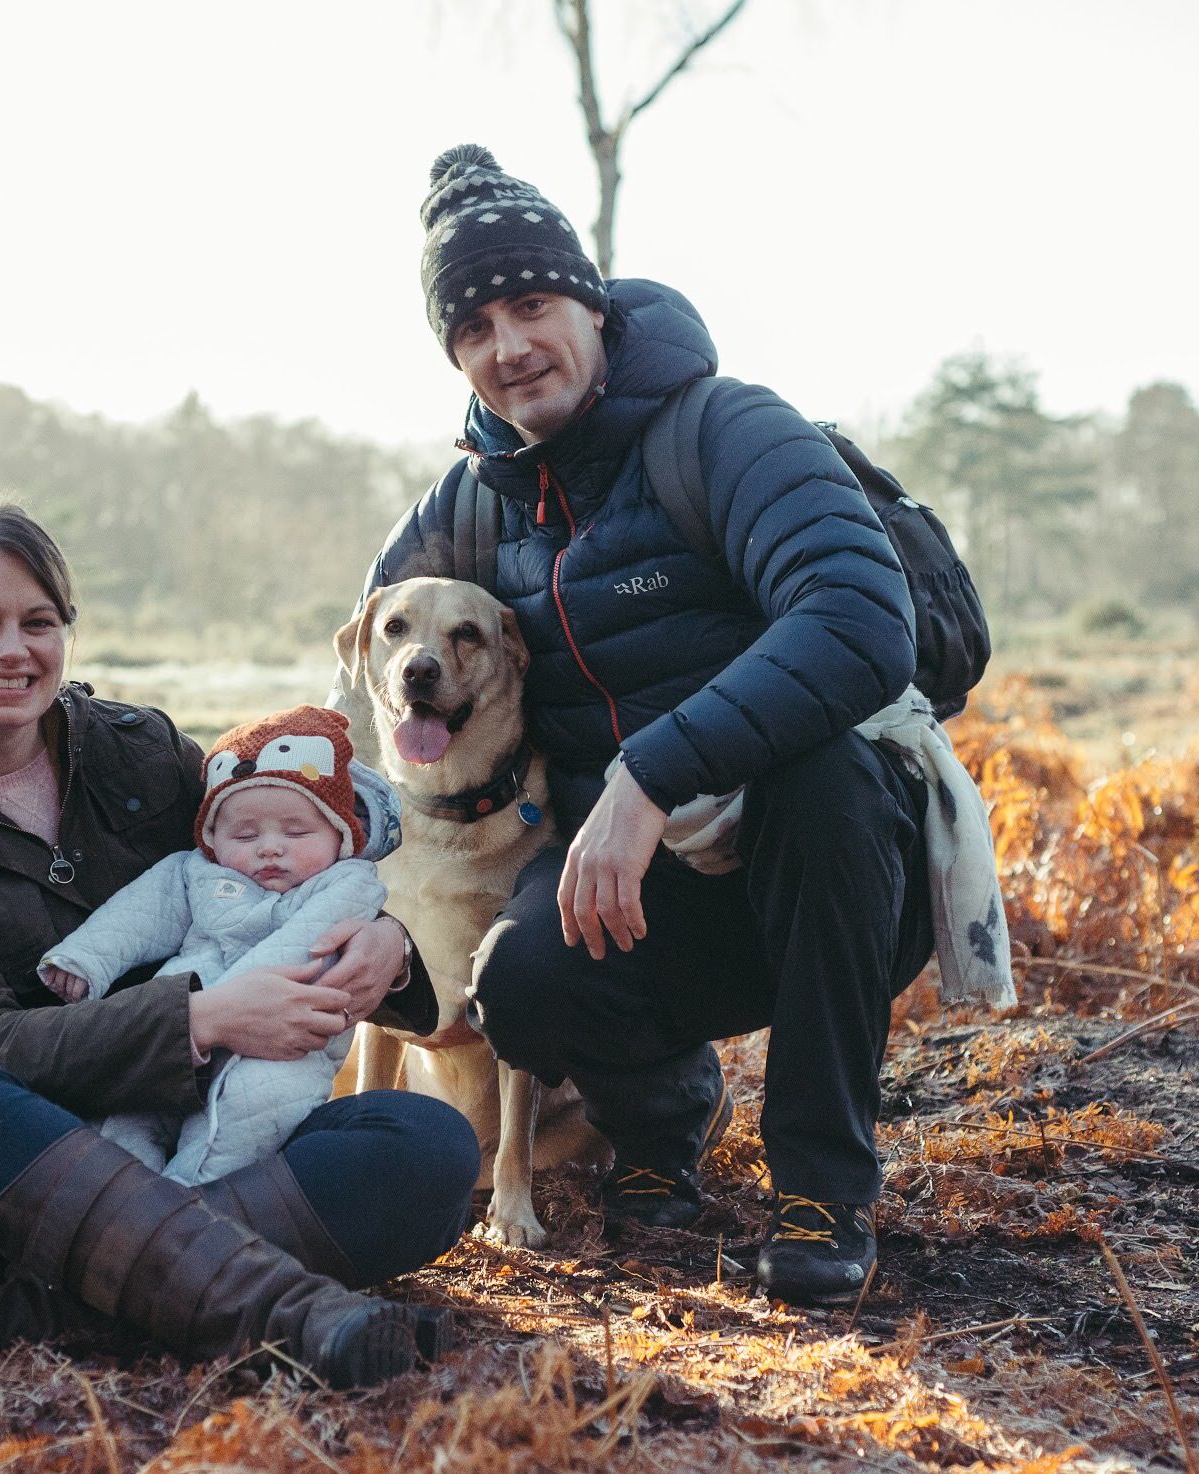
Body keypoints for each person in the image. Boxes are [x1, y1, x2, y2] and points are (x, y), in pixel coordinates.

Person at [349, 145, 940, 1306]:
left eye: (532, 305)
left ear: (594, 306)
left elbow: (862, 619)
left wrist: (647, 775)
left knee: (823, 779)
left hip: (834, 875)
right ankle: (660, 1128)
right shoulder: (472, 502)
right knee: (520, 978)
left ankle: (823, 1187)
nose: (509, 346)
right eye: (474, 328)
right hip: (639, 895)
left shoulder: (726, 429)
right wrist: (264, 805)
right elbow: (365, 657)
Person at [0, 504, 477, 1394]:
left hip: (203, 1130)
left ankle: (12, 1313)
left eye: (38, 622)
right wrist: (202, 1020)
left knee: (428, 1144)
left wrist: (387, 947)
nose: (12, 649)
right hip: (3, 1166)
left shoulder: (139, 753)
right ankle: (296, 1314)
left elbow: (283, 851)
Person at [41, 705, 385, 1186]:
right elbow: (136, 915)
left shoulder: (347, 883)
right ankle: (126, 1196)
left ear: (341, 835)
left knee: (250, 1109)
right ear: (212, 839)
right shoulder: (196, 874)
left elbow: (305, 945)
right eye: (244, 834)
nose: (270, 847)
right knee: (125, 1117)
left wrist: (232, 1001)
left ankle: (186, 1198)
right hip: (175, 1034)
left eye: (296, 831)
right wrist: (84, 960)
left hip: (280, 1047)